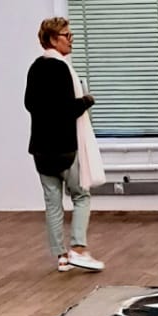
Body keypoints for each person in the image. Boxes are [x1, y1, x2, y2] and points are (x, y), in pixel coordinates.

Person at [25, 17, 106, 273]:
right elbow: (66, 109)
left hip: (40, 150)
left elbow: (30, 104)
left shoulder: (35, 68)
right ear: (52, 39)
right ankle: (78, 249)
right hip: (64, 148)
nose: (71, 40)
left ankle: (61, 257)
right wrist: (87, 100)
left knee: (52, 202)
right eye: (67, 35)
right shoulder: (61, 69)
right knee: (81, 195)